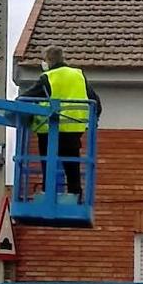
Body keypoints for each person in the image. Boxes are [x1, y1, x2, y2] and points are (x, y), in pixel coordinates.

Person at [22, 45, 102, 197]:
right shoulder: (78, 75)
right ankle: (76, 194)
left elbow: (26, 97)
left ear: (49, 60)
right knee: (72, 166)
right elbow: (96, 102)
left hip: (48, 129)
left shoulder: (48, 77)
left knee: (48, 165)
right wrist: (92, 120)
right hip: (73, 130)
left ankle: (48, 194)